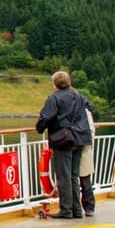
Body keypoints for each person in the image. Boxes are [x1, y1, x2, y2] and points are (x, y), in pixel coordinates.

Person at [36, 71, 94, 219]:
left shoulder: (55, 98)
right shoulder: (79, 96)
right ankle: (77, 210)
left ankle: (66, 210)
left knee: (63, 176)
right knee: (74, 176)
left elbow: (46, 117)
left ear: (55, 84)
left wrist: (40, 128)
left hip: (63, 140)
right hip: (80, 139)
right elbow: (90, 107)